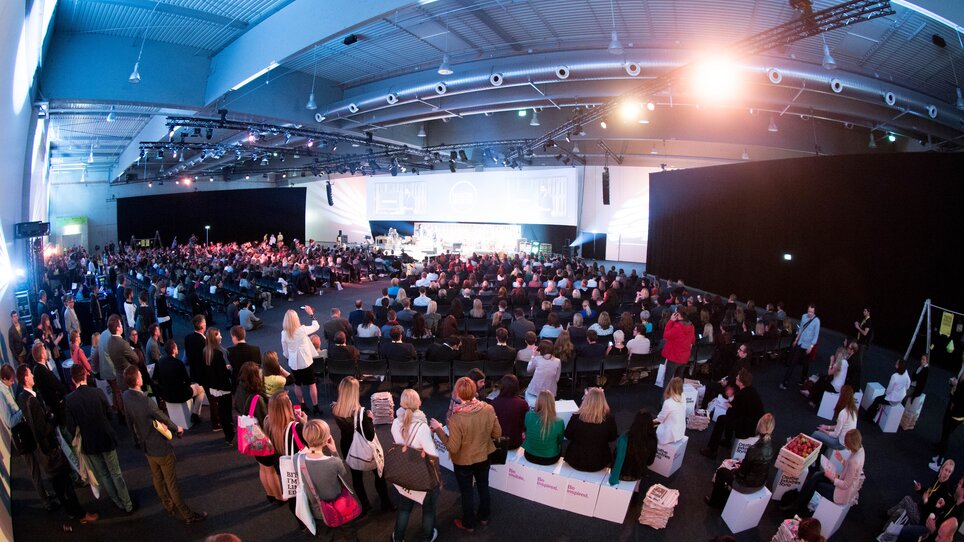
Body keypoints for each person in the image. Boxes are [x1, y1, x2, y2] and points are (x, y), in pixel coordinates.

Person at [124, 363, 207, 524]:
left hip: (146, 447)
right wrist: (178, 429)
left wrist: (136, 441)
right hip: (160, 447)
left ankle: (168, 505)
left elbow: (129, 421)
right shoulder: (145, 401)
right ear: (138, 381)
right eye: (140, 376)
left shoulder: (126, 396)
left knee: (157, 478)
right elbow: (163, 417)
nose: (142, 377)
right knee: (171, 483)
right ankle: (187, 515)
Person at [16, 364, 99, 526]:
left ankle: (69, 511)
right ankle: (81, 514)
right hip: (50, 450)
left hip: (42, 451)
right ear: (25, 378)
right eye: (29, 375)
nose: (33, 377)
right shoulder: (32, 401)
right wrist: (52, 419)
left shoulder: (22, 398)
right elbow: (42, 429)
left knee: (58, 484)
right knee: (65, 483)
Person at [430, 377, 502, 533]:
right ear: (475, 391)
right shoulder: (488, 408)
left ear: (458, 394)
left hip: (463, 462)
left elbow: (453, 447)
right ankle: (484, 516)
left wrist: (439, 430)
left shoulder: (456, 419)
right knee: (483, 487)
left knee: (467, 492)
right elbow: (497, 433)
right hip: (484, 457)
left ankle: (468, 523)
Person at [65, 364, 135, 514]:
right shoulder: (97, 392)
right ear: (85, 375)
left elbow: (71, 427)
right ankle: (127, 504)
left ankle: (117, 502)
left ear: (72, 380)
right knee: (116, 473)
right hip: (106, 438)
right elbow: (110, 414)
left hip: (89, 444)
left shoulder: (70, 400)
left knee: (103, 474)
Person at [331, 376, 392, 514]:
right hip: (364, 449)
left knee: (356, 477)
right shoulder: (362, 413)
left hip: (348, 447)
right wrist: (370, 419)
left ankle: (365, 505)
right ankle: (385, 503)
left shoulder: (334, 408)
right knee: (379, 475)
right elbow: (370, 436)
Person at [1, 364, 55, 510]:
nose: (13, 383)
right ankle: (46, 502)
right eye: (11, 381)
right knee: (34, 470)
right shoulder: (2, 393)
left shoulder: (6, 389)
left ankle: (47, 495)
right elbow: (9, 421)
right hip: (21, 439)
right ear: (5, 378)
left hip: (26, 433)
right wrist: (23, 411)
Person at [297, 419, 361, 542]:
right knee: (349, 532)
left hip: (318, 509)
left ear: (305, 437)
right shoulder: (333, 462)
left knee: (325, 536)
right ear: (327, 439)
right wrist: (334, 451)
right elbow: (344, 474)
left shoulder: (297, 460)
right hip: (339, 506)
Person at [391, 389, 439, 542]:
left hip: (403, 473)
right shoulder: (422, 427)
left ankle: (397, 538)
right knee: (428, 510)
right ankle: (427, 537)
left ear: (401, 404)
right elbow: (433, 454)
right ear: (419, 403)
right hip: (421, 474)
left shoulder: (396, 421)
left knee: (404, 509)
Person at [783, 429, 865, 515]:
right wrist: (841, 460)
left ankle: (799, 505)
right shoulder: (860, 450)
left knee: (817, 485)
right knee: (817, 475)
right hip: (840, 480)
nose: (845, 445)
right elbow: (850, 470)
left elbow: (846, 485)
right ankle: (798, 501)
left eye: (846, 444)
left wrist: (832, 478)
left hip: (840, 493)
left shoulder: (855, 461)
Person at [234, 361, 283, 503]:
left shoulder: (239, 390)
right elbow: (265, 421)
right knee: (271, 469)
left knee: (263, 468)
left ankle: (269, 493)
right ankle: (279, 496)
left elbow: (237, 407)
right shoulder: (257, 398)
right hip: (262, 437)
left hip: (250, 437)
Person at [705, 413, 775, 507]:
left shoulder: (753, 449)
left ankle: (714, 502)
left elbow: (741, 474)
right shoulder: (770, 445)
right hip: (761, 483)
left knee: (721, 472)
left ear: (759, 425)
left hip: (747, 486)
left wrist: (734, 469)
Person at [701, 369, 765, 458]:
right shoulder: (751, 390)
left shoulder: (741, 395)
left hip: (748, 427)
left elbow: (735, 413)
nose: (736, 377)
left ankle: (712, 450)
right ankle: (727, 441)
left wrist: (730, 405)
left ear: (741, 382)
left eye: (738, 378)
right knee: (728, 416)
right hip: (754, 423)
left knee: (721, 419)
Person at [564, 387, 618, 472]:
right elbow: (613, 438)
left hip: (575, 459)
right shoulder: (609, 419)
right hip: (599, 462)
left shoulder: (576, 417)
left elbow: (567, 435)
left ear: (586, 400)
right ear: (602, 401)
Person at [281, 307, 322, 415]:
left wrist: (290, 357)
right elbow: (316, 326)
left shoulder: (284, 333)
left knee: (297, 384)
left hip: (294, 363)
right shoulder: (302, 330)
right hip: (306, 361)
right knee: (312, 384)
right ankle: (315, 406)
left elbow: (285, 351)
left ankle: (302, 404)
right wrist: (311, 314)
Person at [155, 340, 205, 424]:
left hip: (166, 395)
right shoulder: (178, 363)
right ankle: (195, 414)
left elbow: (156, 379)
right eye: (176, 347)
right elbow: (188, 382)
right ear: (174, 350)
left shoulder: (160, 362)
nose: (177, 348)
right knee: (201, 388)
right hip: (180, 395)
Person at [203, 328, 235, 445]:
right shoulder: (219, 353)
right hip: (224, 386)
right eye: (219, 335)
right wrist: (228, 369)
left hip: (214, 387)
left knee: (221, 410)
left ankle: (228, 434)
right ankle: (230, 435)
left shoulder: (206, 351)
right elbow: (223, 373)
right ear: (214, 338)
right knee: (226, 412)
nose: (221, 337)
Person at [609, 409, 658, 485]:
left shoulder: (624, 437)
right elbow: (649, 462)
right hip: (637, 475)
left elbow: (615, 455)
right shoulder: (652, 441)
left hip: (620, 474)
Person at [185, 314, 215, 428]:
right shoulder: (205, 341)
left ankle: (195, 414)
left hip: (193, 372)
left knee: (200, 391)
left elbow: (187, 356)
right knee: (207, 393)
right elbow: (208, 358)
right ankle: (197, 414)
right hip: (204, 374)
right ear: (203, 325)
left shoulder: (188, 338)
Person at [781, 304, 821, 390]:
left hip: (807, 346)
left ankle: (803, 379)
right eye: (809, 311)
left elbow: (816, 336)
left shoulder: (817, 321)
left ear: (814, 312)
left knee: (805, 364)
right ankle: (785, 381)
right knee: (793, 362)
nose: (810, 313)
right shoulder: (804, 316)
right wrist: (796, 340)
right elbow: (801, 329)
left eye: (812, 312)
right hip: (800, 344)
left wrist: (811, 347)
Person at [522, 390, 565, 465]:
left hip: (530, 455)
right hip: (550, 458)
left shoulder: (528, 415)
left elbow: (526, 430)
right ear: (552, 403)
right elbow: (560, 441)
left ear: (537, 402)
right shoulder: (559, 422)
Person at [29, 342, 68, 426]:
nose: (47, 352)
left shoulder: (36, 369)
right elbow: (58, 386)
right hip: (57, 406)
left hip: (50, 405)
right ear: (42, 355)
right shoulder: (45, 372)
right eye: (45, 351)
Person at [811, 385, 858, 454]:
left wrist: (824, 431)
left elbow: (835, 435)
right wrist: (827, 427)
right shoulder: (853, 410)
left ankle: (811, 457)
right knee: (820, 431)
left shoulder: (843, 413)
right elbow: (841, 426)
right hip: (846, 441)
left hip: (839, 443)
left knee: (816, 434)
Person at [490, 375, 529, 450]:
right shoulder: (522, 403)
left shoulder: (494, 402)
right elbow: (525, 425)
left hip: (498, 442)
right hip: (515, 442)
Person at [526, 340, 562, 407]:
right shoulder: (558, 361)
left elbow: (528, 369)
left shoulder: (536, 359)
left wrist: (533, 356)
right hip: (550, 392)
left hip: (535, 391)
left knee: (527, 392)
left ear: (541, 349)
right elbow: (557, 379)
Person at [662, 310, 696, 378]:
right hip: (684, 357)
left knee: (667, 379)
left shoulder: (677, 327)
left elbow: (665, 335)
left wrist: (671, 321)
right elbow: (693, 341)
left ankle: (667, 389)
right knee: (678, 379)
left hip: (674, 357)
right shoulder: (691, 326)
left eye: (677, 315)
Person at [655, 377, 687, 444]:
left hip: (669, 435)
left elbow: (660, 419)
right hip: (681, 432)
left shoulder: (668, 403)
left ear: (671, 387)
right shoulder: (683, 396)